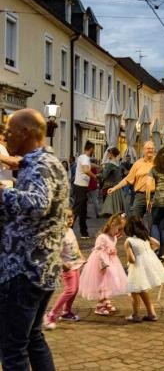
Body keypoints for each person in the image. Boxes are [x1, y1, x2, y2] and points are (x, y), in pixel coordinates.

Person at [0, 108, 69, 371]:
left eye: (9, 132)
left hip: (24, 269)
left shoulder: (40, 165)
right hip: (41, 268)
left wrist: (2, 194)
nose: (5, 138)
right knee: (31, 338)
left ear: (25, 133)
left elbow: (37, 204)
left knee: (13, 346)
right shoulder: (45, 162)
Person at [44, 209, 86, 329]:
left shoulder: (70, 231)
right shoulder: (59, 235)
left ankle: (66, 312)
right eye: (67, 217)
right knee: (70, 290)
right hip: (67, 267)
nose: (70, 220)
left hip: (75, 264)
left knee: (75, 289)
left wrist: (81, 256)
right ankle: (51, 315)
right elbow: (54, 253)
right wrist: (62, 264)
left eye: (71, 217)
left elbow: (75, 245)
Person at [78, 214, 128, 315]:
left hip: (111, 262)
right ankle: (99, 305)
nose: (119, 232)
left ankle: (105, 301)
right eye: (119, 229)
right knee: (102, 284)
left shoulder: (114, 237)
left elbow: (111, 247)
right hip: (101, 263)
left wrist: (112, 251)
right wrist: (103, 263)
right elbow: (98, 251)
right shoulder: (102, 237)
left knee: (109, 282)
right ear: (113, 225)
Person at [124, 216, 164, 322]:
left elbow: (131, 259)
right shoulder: (145, 237)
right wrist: (149, 251)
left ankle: (136, 314)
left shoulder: (129, 241)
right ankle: (151, 313)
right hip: (147, 264)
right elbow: (157, 244)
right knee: (142, 289)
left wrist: (130, 254)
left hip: (137, 267)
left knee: (134, 290)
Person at [108, 141, 155, 218]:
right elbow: (127, 179)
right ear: (143, 150)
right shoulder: (137, 164)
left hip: (153, 196)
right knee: (135, 221)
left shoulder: (158, 162)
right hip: (140, 196)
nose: (150, 150)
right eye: (148, 148)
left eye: (152, 148)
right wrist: (114, 188)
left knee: (152, 223)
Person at [73, 141, 97, 239]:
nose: (93, 151)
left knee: (83, 210)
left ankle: (84, 232)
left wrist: (97, 166)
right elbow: (86, 170)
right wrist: (94, 176)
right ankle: (67, 229)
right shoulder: (85, 158)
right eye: (93, 149)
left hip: (79, 186)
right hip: (81, 186)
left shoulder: (82, 157)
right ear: (91, 149)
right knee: (77, 209)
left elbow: (88, 164)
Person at [101, 147, 127, 216]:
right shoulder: (119, 164)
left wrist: (96, 175)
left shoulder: (110, 164)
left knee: (110, 210)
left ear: (111, 154)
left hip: (110, 188)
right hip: (118, 188)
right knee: (118, 209)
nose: (107, 155)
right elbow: (124, 173)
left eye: (109, 153)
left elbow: (104, 176)